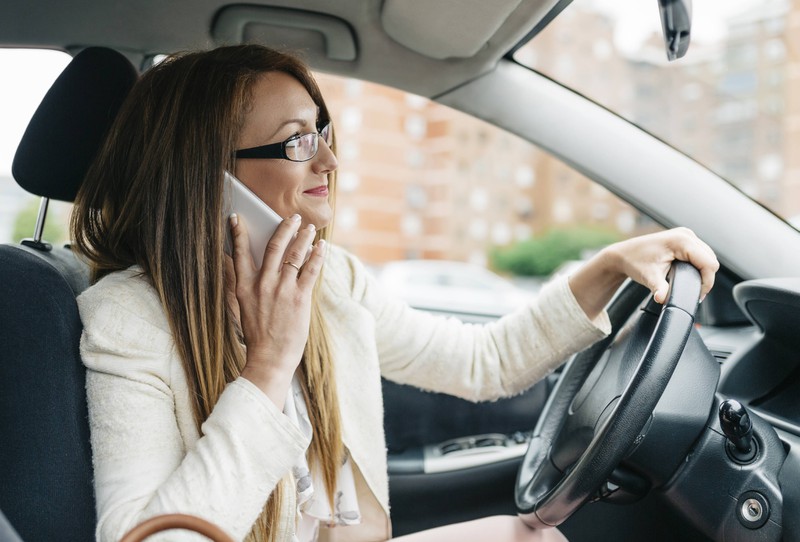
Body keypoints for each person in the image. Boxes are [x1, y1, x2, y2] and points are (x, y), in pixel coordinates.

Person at [70, 44, 719, 542]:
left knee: (535, 535)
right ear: (206, 174)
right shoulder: (129, 320)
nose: (328, 162)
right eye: (299, 140)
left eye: (324, 133)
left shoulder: (332, 281)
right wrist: (267, 371)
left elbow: (483, 363)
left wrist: (610, 265)